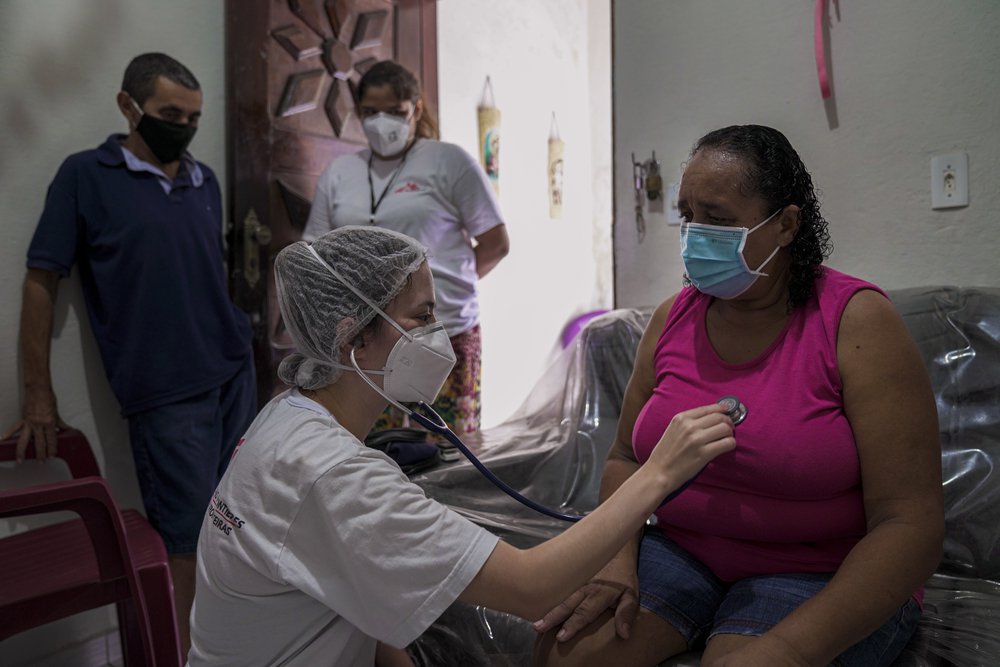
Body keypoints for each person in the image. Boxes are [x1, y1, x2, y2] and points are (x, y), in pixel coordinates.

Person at [187, 225, 736, 667]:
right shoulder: (334, 475)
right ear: (353, 339)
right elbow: (531, 588)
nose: (438, 334)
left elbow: (350, 597)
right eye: (421, 317)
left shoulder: (286, 418)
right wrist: (659, 472)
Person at [533, 125, 944, 667]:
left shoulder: (857, 322)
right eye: (688, 215)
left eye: (719, 219)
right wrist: (616, 556)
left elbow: (909, 522)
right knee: (564, 654)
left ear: (786, 225)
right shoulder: (671, 318)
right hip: (681, 552)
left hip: (818, 568)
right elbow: (625, 459)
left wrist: (789, 648)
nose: (696, 235)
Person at [7, 53, 256, 655]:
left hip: (232, 371)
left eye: (194, 116)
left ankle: (238, 648)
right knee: (184, 541)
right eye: (171, 113)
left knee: (241, 524)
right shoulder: (84, 175)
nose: (184, 126)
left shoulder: (204, 181)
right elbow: (42, 280)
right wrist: (39, 393)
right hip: (165, 392)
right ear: (129, 106)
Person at [304, 60, 509, 436]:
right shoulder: (340, 172)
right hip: (366, 340)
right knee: (371, 447)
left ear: (415, 109)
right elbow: (313, 249)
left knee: (447, 448)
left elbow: (496, 243)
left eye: (395, 112)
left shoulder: (448, 161)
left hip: (442, 332)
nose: (382, 123)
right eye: (370, 112)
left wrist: (439, 289)